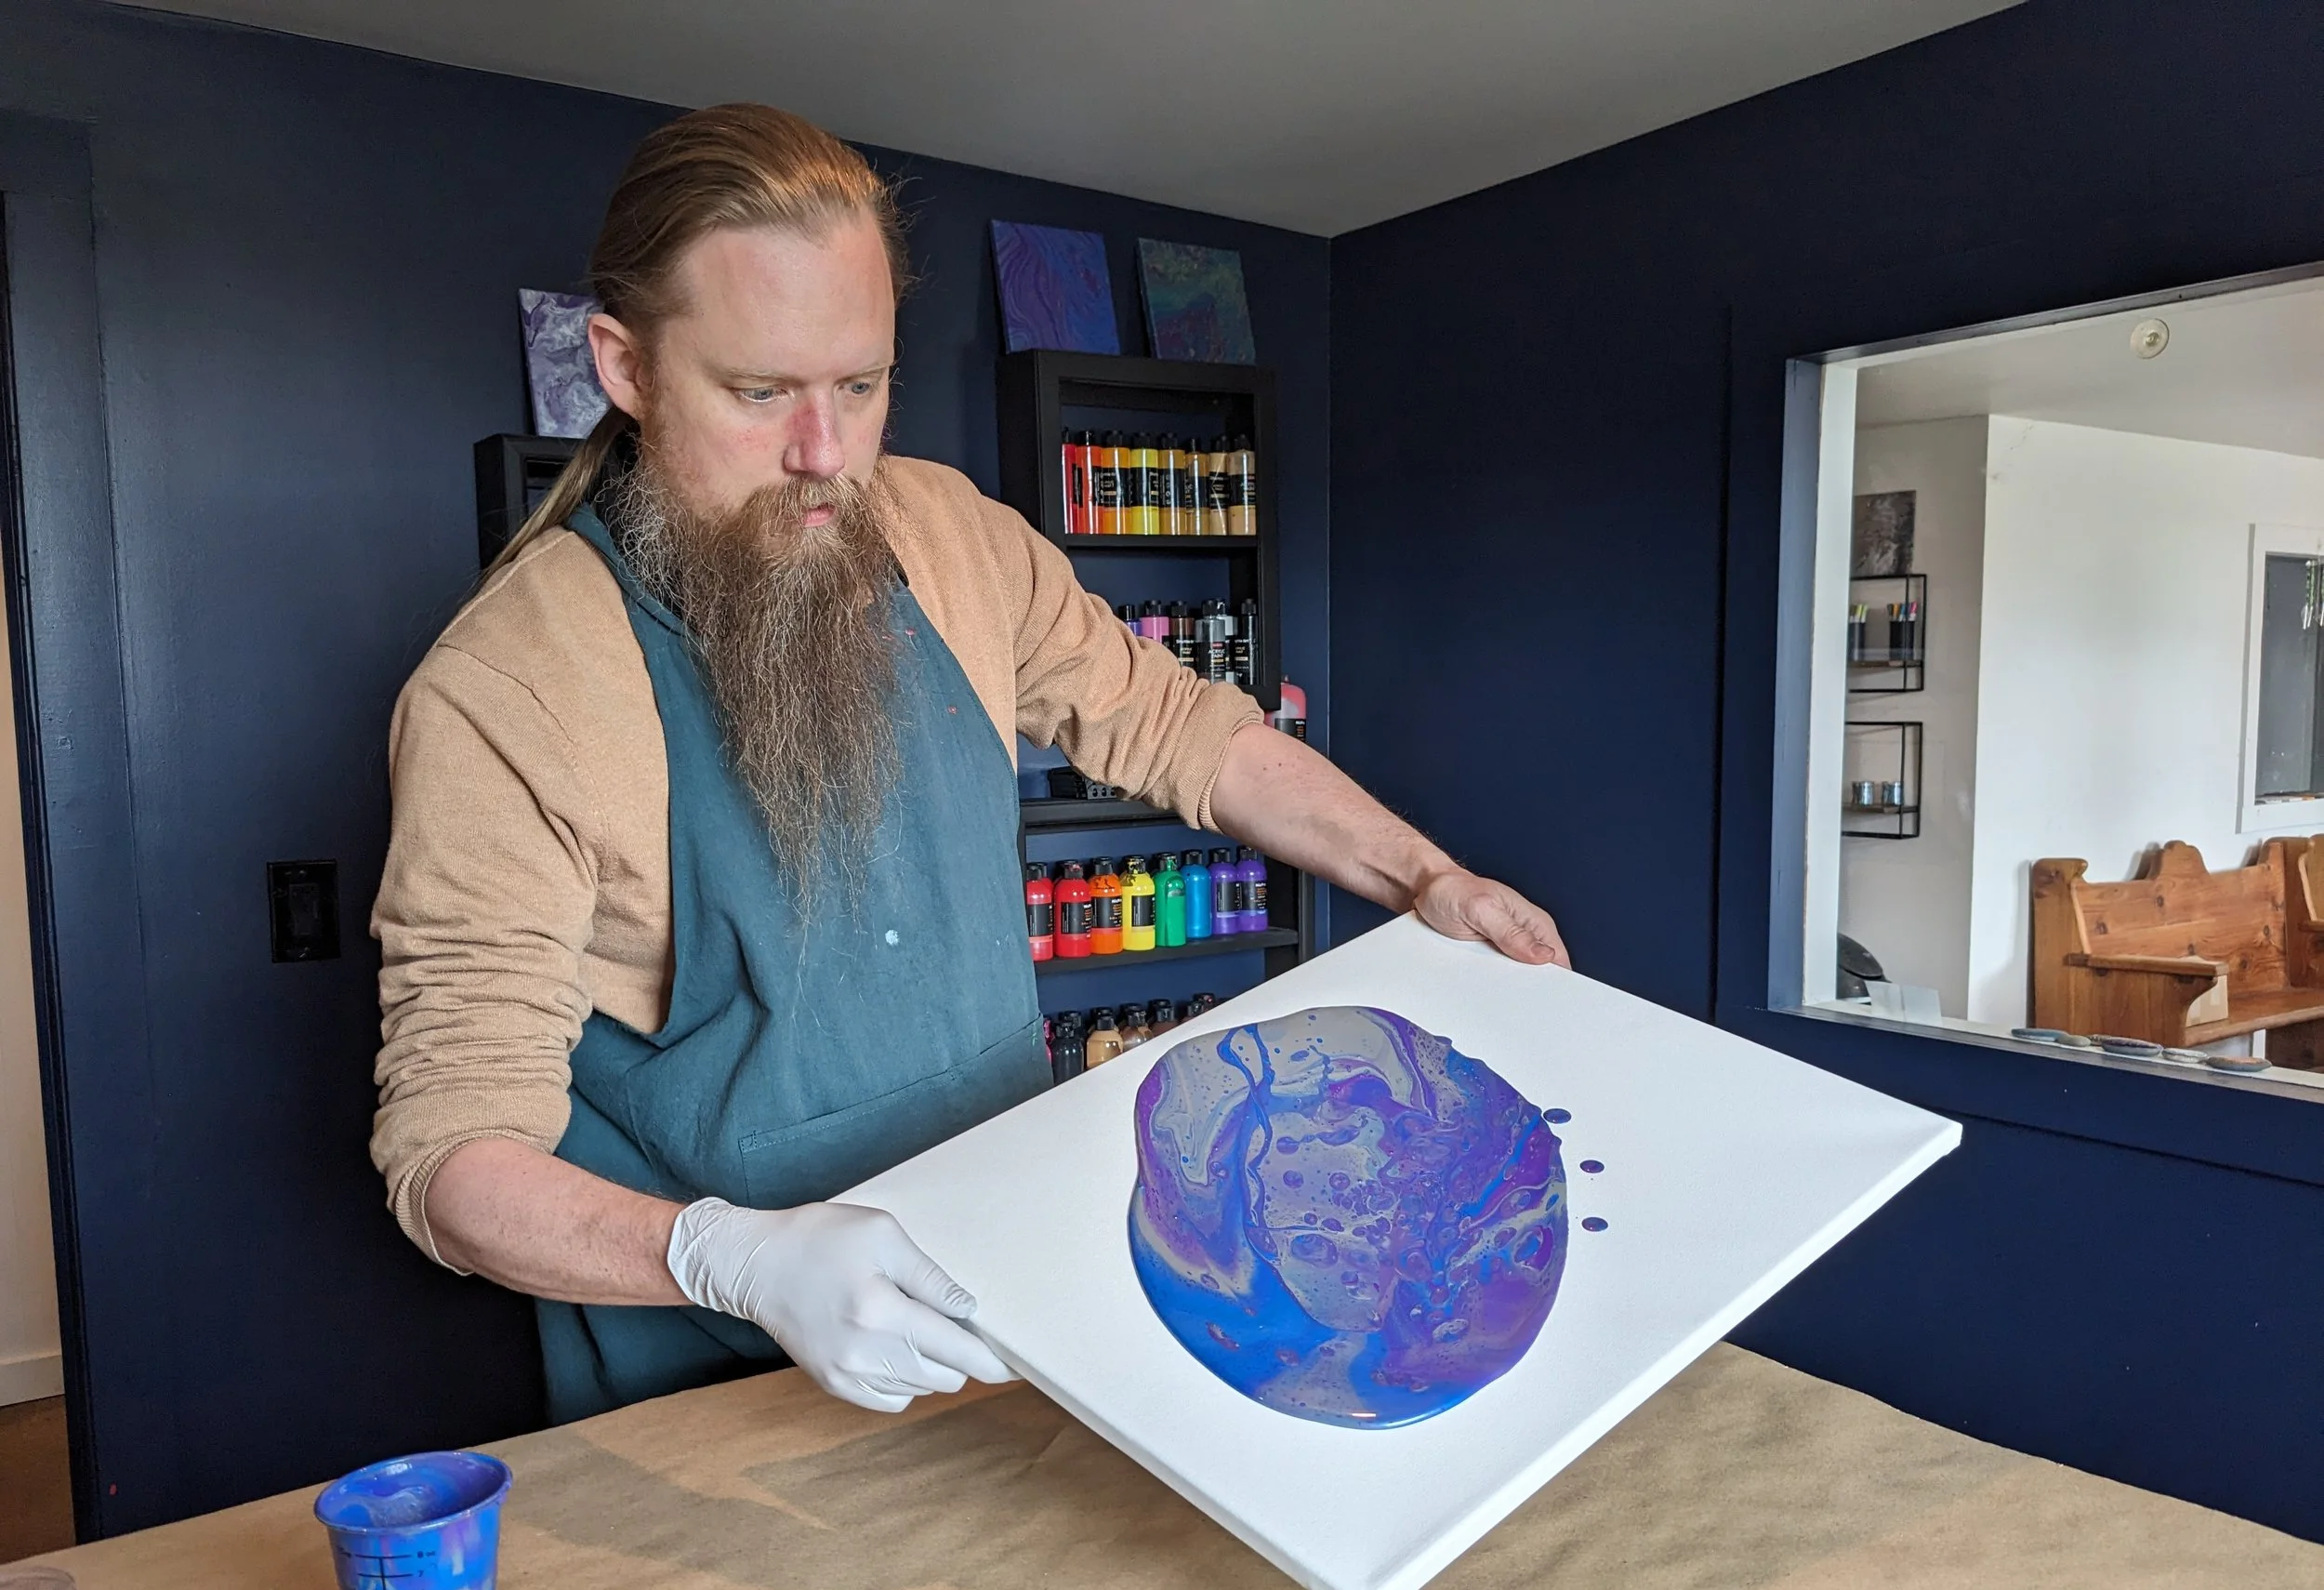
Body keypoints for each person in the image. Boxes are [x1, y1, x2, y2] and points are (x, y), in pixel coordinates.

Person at [372, 103, 1567, 1425]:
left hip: (1011, 1301)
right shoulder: (509, 689)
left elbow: (1177, 725)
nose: (824, 456)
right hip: (711, 1386)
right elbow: (450, 1153)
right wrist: (730, 1256)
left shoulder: (949, 534)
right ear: (627, 364)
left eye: (861, 384)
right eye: (760, 393)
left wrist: (1424, 875)